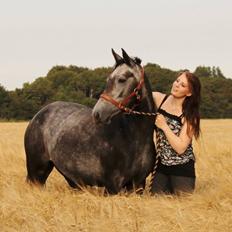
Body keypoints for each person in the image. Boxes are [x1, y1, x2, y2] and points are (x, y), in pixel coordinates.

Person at [150, 70, 201, 195]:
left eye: (183, 85)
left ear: (189, 93)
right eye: (177, 81)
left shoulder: (190, 115)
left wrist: (164, 126)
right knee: (155, 206)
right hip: (161, 167)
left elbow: (181, 148)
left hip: (182, 169)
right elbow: (138, 92)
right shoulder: (159, 99)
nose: (177, 85)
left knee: (182, 208)